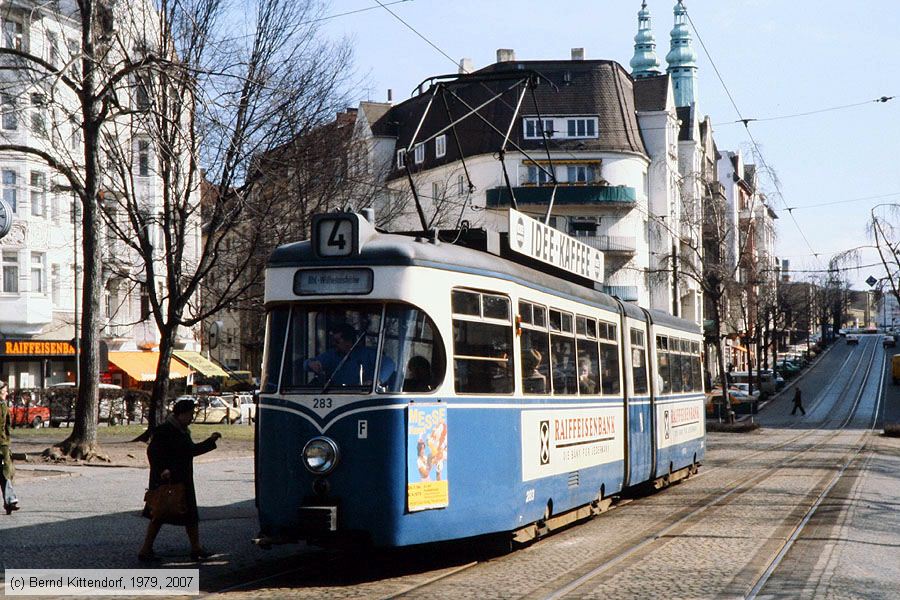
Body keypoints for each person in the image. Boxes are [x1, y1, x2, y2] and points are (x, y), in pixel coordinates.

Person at [139, 399, 221, 562]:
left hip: (182, 479)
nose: (191, 418)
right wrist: (163, 470)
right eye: (190, 415)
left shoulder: (183, 431)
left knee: (190, 515)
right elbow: (153, 452)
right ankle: (145, 549)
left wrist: (210, 441)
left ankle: (196, 548)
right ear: (181, 414)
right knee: (159, 514)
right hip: (167, 480)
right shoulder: (165, 430)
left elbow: (190, 451)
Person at [305, 323, 393, 387]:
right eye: (332, 341)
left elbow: (389, 363)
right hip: (336, 396)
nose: (334, 344)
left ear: (348, 341)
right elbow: (308, 364)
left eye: (337, 341)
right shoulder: (332, 355)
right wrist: (310, 364)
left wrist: (376, 381)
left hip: (362, 396)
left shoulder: (367, 354)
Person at [0, 382, 20, 515]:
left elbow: (6, 427)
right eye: (4, 391)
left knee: (6, 471)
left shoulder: (4, 406)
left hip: (3, 444)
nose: (7, 393)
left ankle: (10, 500)